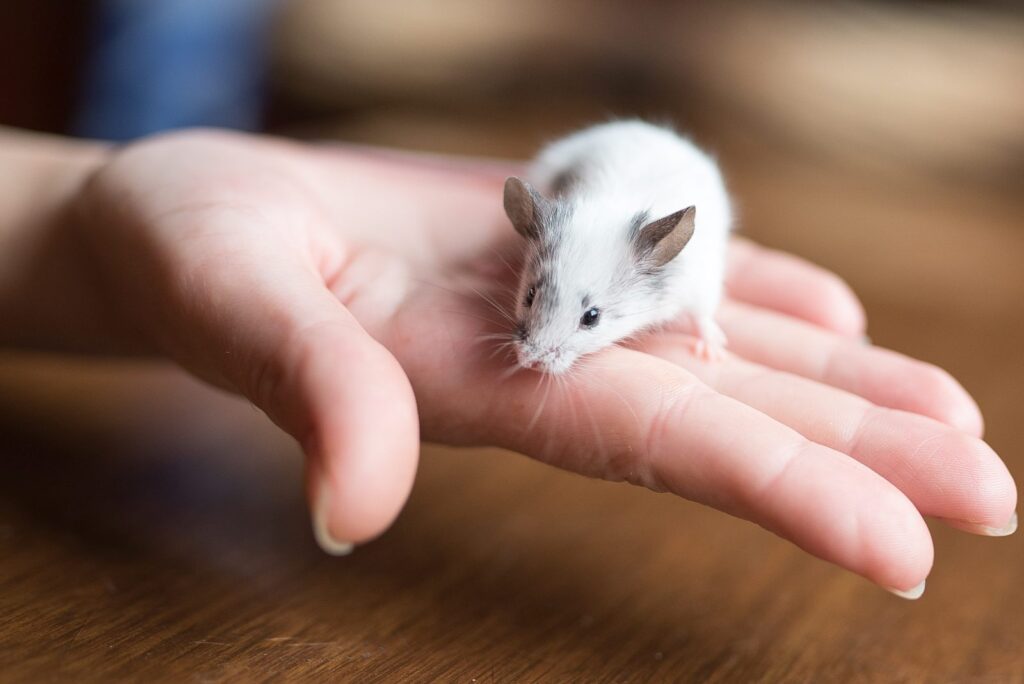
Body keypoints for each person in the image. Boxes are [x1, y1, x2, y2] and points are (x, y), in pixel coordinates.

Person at [0, 125, 1015, 600]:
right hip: (587, 172)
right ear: (528, 253)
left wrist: (696, 323)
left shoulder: (671, 258)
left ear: (647, 281)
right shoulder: (558, 221)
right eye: (536, 304)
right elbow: (551, 243)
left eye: (580, 320)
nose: (539, 345)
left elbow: (691, 275)